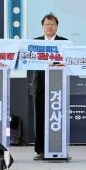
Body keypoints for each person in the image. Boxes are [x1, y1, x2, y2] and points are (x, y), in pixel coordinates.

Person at [31, 13, 67, 160]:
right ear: (42, 26)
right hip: (40, 84)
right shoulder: (34, 43)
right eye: (47, 24)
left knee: (57, 117)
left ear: (57, 26)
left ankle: (57, 147)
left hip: (58, 85)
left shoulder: (65, 43)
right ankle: (40, 150)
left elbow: (69, 62)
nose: (50, 27)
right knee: (39, 118)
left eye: (52, 24)